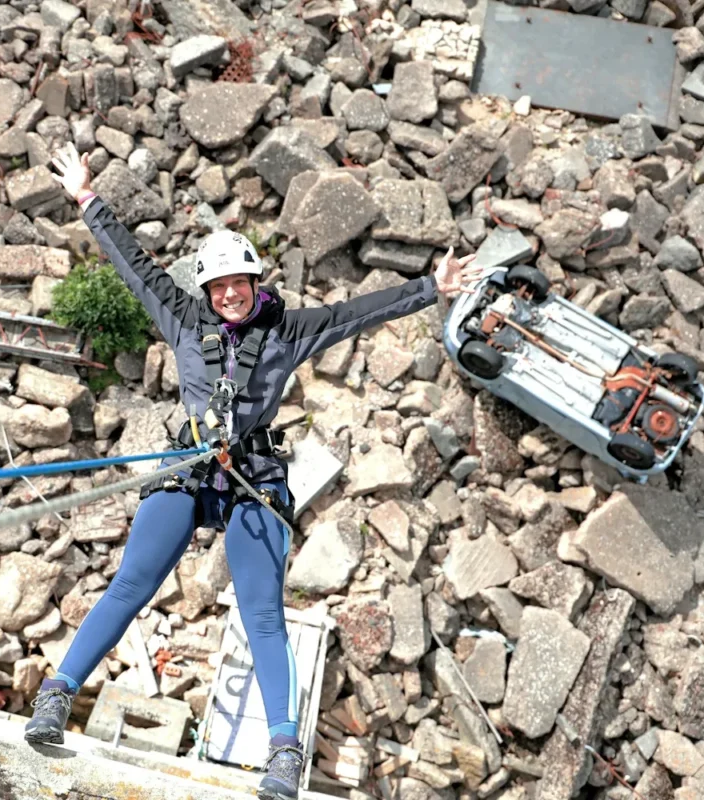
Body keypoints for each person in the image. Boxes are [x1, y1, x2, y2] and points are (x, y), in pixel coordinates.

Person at [25, 143, 481, 800]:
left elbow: (357, 314)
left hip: (253, 478)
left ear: (255, 283)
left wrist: (428, 290)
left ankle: (284, 753)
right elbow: (133, 264)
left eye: (239, 283)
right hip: (186, 468)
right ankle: (55, 699)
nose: (230, 294)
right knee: (131, 584)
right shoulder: (182, 316)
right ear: (207, 291)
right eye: (219, 287)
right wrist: (87, 198)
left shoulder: (289, 330)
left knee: (262, 612)